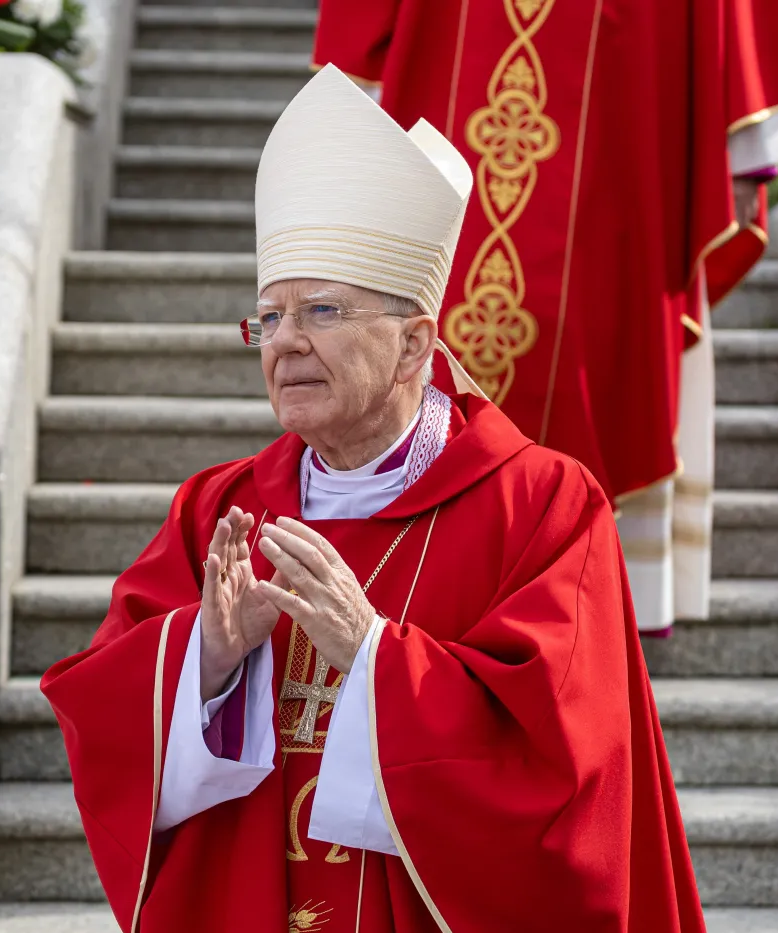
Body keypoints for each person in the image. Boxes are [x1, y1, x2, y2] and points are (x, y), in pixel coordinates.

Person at [42, 66, 704, 933]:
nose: (285, 343)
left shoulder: (542, 508)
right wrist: (205, 655)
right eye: (268, 319)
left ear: (412, 344)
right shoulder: (224, 507)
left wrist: (374, 657)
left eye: (320, 309)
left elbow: (568, 768)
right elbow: (102, 713)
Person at [312, 0, 778, 635]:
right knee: (430, 302)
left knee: (604, 328)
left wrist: (744, 146)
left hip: (621, 117)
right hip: (447, 99)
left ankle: (600, 594)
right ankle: (417, 573)